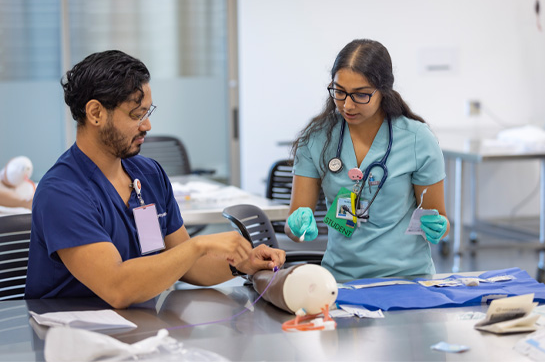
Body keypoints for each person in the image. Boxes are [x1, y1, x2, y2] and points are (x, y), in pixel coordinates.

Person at [25, 50, 285, 308]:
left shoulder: (148, 175)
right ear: (95, 113)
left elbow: (187, 265)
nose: (147, 126)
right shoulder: (61, 192)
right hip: (73, 337)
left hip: (140, 329)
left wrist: (242, 264)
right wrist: (198, 245)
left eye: (148, 113)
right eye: (136, 115)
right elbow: (117, 288)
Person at [285, 39, 450, 282]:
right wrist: (298, 226)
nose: (347, 105)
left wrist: (440, 227)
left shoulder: (417, 139)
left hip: (408, 280)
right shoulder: (317, 139)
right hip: (341, 281)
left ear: (383, 91)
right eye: (339, 92)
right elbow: (292, 227)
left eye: (361, 95)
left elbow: (439, 217)